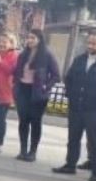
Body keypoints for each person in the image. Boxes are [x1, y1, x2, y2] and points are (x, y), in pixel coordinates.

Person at [52, 33, 96, 181]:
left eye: (94, 44)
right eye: (89, 43)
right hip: (77, 107)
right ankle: (70, 165)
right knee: (73, 138)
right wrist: (70, 95)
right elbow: (69, 78)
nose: (90, 46)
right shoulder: (79, 60)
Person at [13, 29, 60, 162]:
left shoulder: (47, 54)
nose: (30, 40)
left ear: (39, 39)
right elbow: (16, 70)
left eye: (33, 38)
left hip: (38, 93)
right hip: (23, 90)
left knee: (35, 122)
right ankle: (22, 150)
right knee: (23, 121)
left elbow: (56, 75)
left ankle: (32, 152)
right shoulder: (23, 54)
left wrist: (46, 87)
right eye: (28, 38)